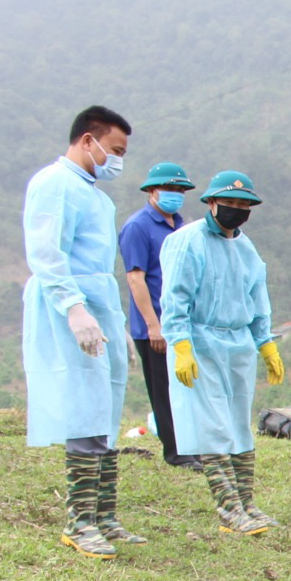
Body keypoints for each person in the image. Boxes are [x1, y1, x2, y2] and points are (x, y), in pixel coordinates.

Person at [22, 105, 138, 559]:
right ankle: (79, 520)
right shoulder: (54, 185)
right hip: (69, 305)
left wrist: (115, 322)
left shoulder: (96, 195)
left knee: (105, 410)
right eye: (114, 150)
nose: (118, 160)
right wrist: (74, 309)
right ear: (87, 140)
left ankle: (105, 514)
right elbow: (48, 254)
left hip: (100, 305)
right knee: (85, 411)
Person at [160, 170, 284, 535]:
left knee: (237, 425)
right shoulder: (188, 241)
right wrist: (180, 344)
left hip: (238, 344)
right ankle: (229, 509)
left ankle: (247, 502)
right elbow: (175, 298)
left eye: (243, 205)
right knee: (212, 426)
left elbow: (257, 297)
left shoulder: (245, 248)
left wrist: (266, 343)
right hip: (199, 342)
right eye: (228, 203)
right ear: (211, 203)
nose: (235, 210)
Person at [119, 161, 198, 469]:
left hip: (181, 323)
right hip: (154, 326)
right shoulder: (138, 227)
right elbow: (135, 278)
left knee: (186, 386)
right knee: (164, 390)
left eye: (180, 190)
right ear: (152, 190)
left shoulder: (181, 225)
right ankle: (176, 452)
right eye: (169, 189)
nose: (175, 195)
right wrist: (154, 326)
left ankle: (193, 446)